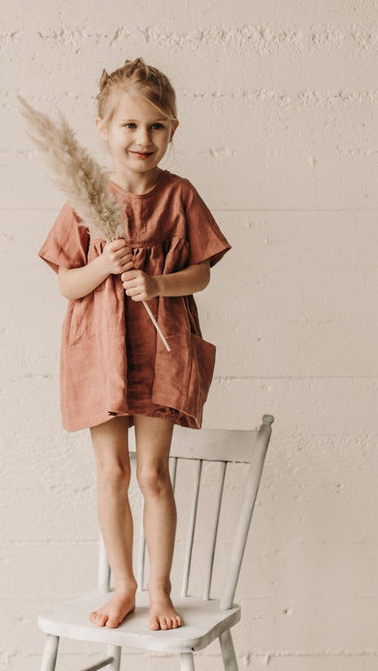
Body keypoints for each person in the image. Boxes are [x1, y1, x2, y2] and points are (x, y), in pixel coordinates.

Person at [38, 58, 230, 631]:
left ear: (172, 131)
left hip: (161, 348)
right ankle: (123, 586)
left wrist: (157, 284)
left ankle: (160, 590)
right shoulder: (85, 197)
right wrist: (102, 266)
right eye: (129, 126)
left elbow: (202, 273)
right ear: (104, 128)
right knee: (112, 473)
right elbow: (66, 283)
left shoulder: (180, 196)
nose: (142, 139)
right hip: (99, 350)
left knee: (153, 474)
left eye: (156, 127)